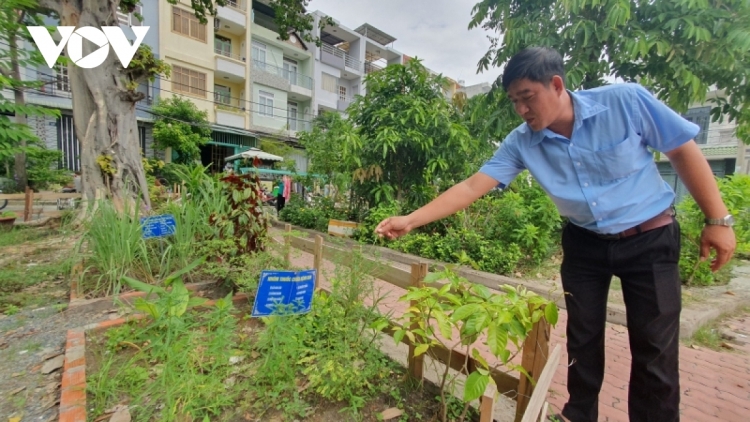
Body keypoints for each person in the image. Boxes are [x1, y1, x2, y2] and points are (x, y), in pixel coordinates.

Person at [375, 47, 736, 422]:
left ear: (557, 85)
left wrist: (717, 220)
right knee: (583, 340)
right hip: (584, 245)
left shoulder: (625, 101)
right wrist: (412, 219)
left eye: (527, 97)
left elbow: (681, 148)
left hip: (650, 237)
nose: (521, 110)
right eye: (514, 101)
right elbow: (470, 186)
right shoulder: (521, 142)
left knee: (655, 349)